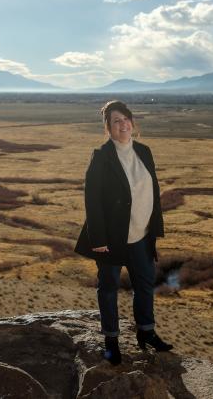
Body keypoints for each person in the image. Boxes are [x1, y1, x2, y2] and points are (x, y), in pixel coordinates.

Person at [74, 100, 172, 365]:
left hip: (141, 235)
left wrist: (155, 230)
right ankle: (111, 340)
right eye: (116, 121)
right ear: (107, 128)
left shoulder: (144, 151)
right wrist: (99, 239)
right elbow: (92, 199)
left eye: (126, 119)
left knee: (145, 286)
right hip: (112, 239)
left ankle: (147, 332)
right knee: (108, 289)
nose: (123, 124)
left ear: (133, 122)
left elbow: (153, 191)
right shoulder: (102, 156)